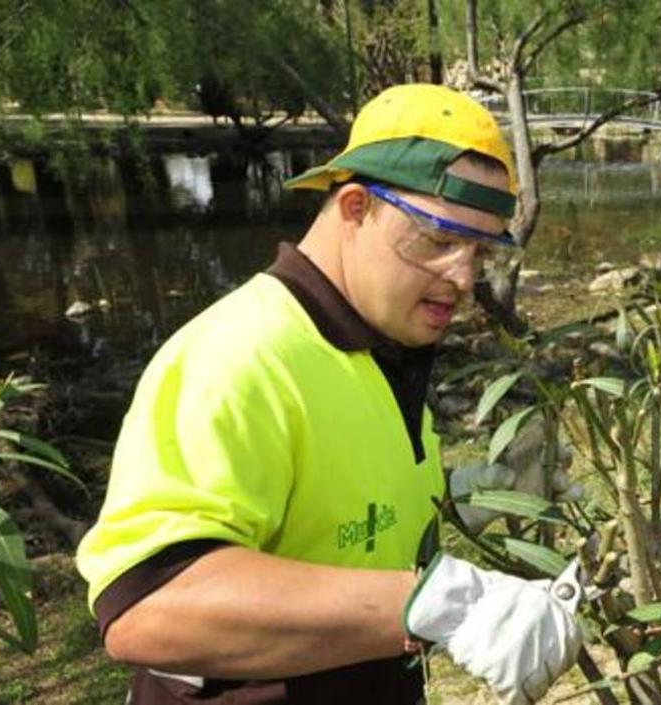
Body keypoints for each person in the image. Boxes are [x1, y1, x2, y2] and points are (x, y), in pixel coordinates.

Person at [76, 83, 581, 705]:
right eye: (438, 238)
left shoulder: (377, 343)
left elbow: (337, 520)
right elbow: (147, 609)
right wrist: (443, 603)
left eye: (480, 249)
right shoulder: (240, 355)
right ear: (355, 208)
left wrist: (467, 498)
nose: (463, 276)